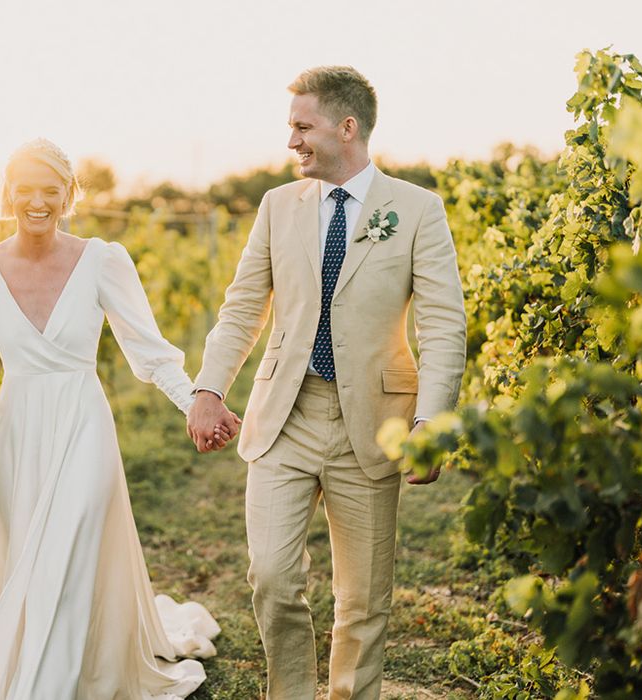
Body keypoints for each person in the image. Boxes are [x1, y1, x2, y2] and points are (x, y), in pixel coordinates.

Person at [187, 66, 466, 699]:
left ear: (347, 127)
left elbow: (444, 326)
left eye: (302, 126)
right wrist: (209, 388)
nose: (291, 142)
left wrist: (431, 421)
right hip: (285, 413)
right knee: (273, 576)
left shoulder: (418, 210)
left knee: (362, 599)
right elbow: (242, 306)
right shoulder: (276, 206)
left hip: (374, 421)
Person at [0, 138, 228, 699]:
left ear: (68, 195)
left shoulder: (101, 259)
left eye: (50, 190)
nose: (37, 202)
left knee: (73, 540)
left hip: (84, 422)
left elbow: (149, 349)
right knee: (35, 562)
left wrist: (194, 404)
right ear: (7, 194)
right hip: (18, 429)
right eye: (25, 190)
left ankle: (48, 688)